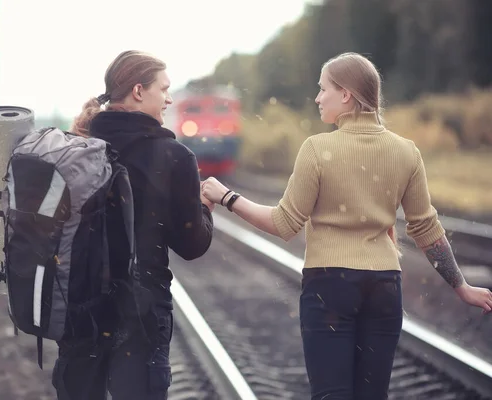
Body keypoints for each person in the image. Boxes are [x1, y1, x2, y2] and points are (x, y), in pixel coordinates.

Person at [201, 52, 492, 400]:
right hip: (385, 284)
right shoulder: (406, 152)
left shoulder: (318, 149)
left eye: (324, 89)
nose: (317, 97)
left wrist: (226, 197)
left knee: (332, 394)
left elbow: (284, 223)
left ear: (347, 95)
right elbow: (426, 228)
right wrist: (461, 286)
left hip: (330, 286)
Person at [52, 50, 214, 400]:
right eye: (164, 89)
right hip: (140, 313)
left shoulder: (77, 148)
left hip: (80, 309)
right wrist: (204, 206)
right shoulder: (174, 157)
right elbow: (192, 245)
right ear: (139, 91)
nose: (170, 98)